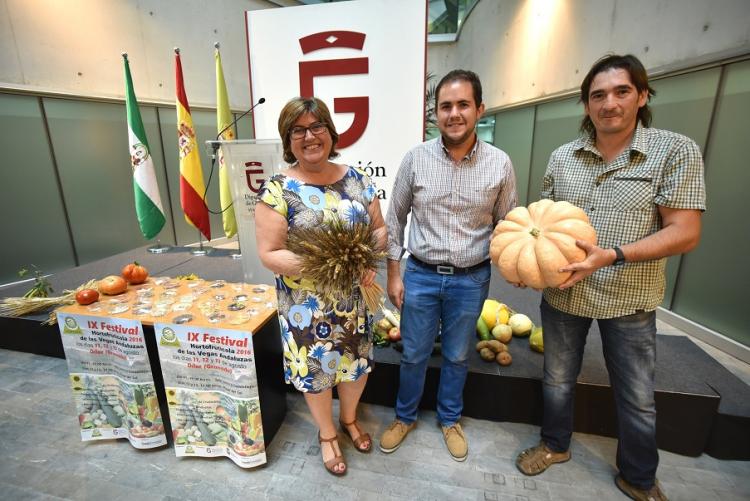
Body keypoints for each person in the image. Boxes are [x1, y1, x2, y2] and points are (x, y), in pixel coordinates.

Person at [514, 54, 705, 501]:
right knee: (557, 380)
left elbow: (686, 232)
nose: (609, 103)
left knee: (638, 397)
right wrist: (527, 264)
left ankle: (638, 477)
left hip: (629, 298)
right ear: (585, 104)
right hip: (565, 296)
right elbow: (540, 222)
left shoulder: (674, 152)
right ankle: (555, 445)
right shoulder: (563, 158)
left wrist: (613, 255)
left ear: (642, 96)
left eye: (622, 92)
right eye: (598, 95)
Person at [380, 69, 517, 461]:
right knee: (413, 354)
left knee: (458, 355)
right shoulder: (416, 159)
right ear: (435, 113)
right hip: (421, 275)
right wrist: (394, 273)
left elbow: (508, 223)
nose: (453, 113)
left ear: (479, 109)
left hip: (471, 279)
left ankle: (450, 419)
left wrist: (517, 268)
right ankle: (404, 417)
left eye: (462, 105)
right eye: (445, 106)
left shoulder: (500, 164)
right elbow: (395, 220)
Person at [255, 97, 386, 476]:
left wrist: (364, 258)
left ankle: (348, 418)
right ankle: (327, 433)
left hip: (356, 301)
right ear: (288, 139)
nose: (310, 136)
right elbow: (270, 253)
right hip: (306, 306)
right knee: (317, 372)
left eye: (317, 127)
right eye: (299, 130)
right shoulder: (279, 190)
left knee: (356, 368)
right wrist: (328, 264)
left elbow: (378, 228)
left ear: (330, 132)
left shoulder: (357, 179)